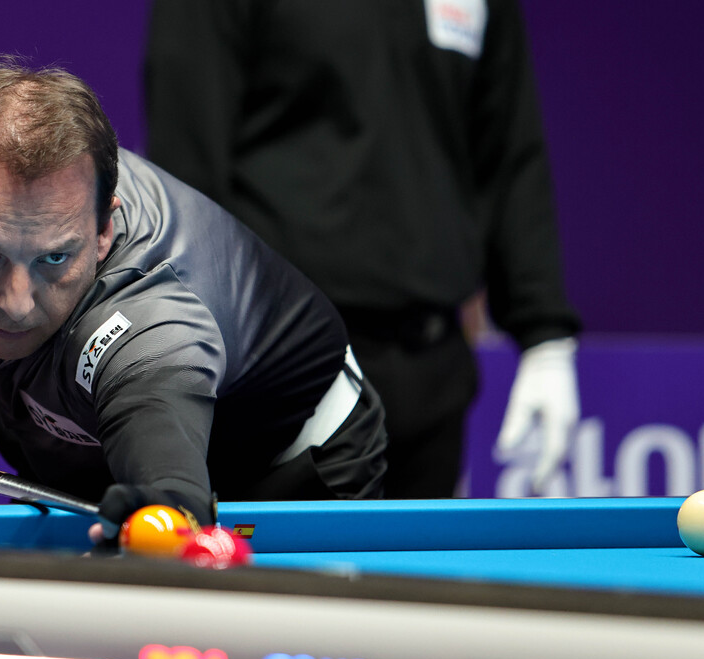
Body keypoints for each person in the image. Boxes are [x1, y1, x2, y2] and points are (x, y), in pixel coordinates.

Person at [0, 60, 387, 536]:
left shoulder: (150, 325)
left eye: (54, 257)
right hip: (89, 456)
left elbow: (167, 476)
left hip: (281, 460)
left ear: (103, 231)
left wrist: (167, 509)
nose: (16, 304)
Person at [145, 0, 582, 498]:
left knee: (422, 552)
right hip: (288, 360)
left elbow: (509, 155)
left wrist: (546, 341)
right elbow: (187, 163)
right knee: (292, 553)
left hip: (433, 363)